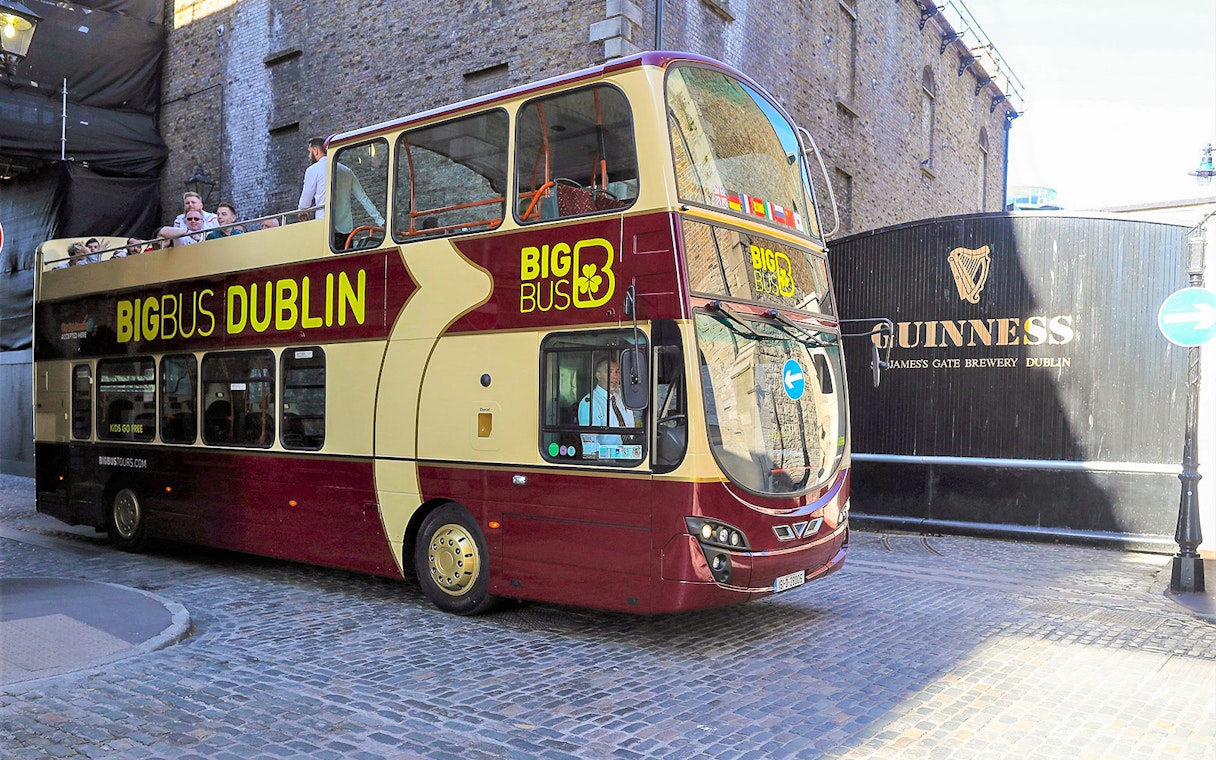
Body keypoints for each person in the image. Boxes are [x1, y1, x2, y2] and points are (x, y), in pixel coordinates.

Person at [577, 358, 635, 454]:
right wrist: (613, 460)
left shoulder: (622, 400)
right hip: (609, 461)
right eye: (610, 372)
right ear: (598, 375)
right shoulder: (590, 403)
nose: (614, 377)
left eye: (617, 372)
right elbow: (590, 449)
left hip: (631, 455)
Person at [331, 162, 385, 249]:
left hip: (328, 231)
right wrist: (380, 221)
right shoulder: (347, 171)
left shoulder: (317, 170)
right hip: (345, 229)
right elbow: (363, 197)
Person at [298, 137, 327, 220]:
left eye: (309, 152)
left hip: (323, 219)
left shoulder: (313, 169)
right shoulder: (341, 168)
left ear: (316, 151)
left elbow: (304, 204)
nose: (309, 156)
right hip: (345, 225)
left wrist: (301, 211)